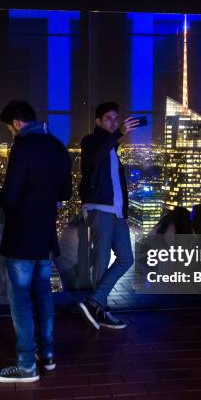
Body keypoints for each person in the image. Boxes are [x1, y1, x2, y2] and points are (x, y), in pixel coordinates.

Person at [0, 100, 72, 383]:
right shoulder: (58, 146)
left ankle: (26, 366)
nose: (11, 133)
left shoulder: (23, 147)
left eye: (10, 127)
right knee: (44, 296)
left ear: (17, 123)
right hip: (46, 235)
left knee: (21, 300)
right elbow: (66, 192)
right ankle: (47, 356)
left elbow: (10, 196)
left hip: (21, 236)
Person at [77, 102, 140, 330]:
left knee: (126, 258)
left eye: (116, 118)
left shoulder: (112, 148)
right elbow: (96, 156)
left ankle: (95, 303)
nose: (114, 122)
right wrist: (119, 133)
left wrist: (123, 212)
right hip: (99, 208)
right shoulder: (91, 142)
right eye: (108, 118)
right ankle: (100, 311)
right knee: (101, 262)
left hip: (115, 212)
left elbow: (116, 184)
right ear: (97, 122)